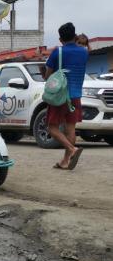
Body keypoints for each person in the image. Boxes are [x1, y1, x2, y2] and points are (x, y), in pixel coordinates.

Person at [45, 22, 87, 170]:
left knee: (52, 128)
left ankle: (72, 149)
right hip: (76, 96)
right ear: (75, 36)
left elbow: (48, 76)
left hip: (60, 97)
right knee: (71, 129)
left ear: (60, 38)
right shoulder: (84, 52)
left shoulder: (58, 52)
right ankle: (65, 161)